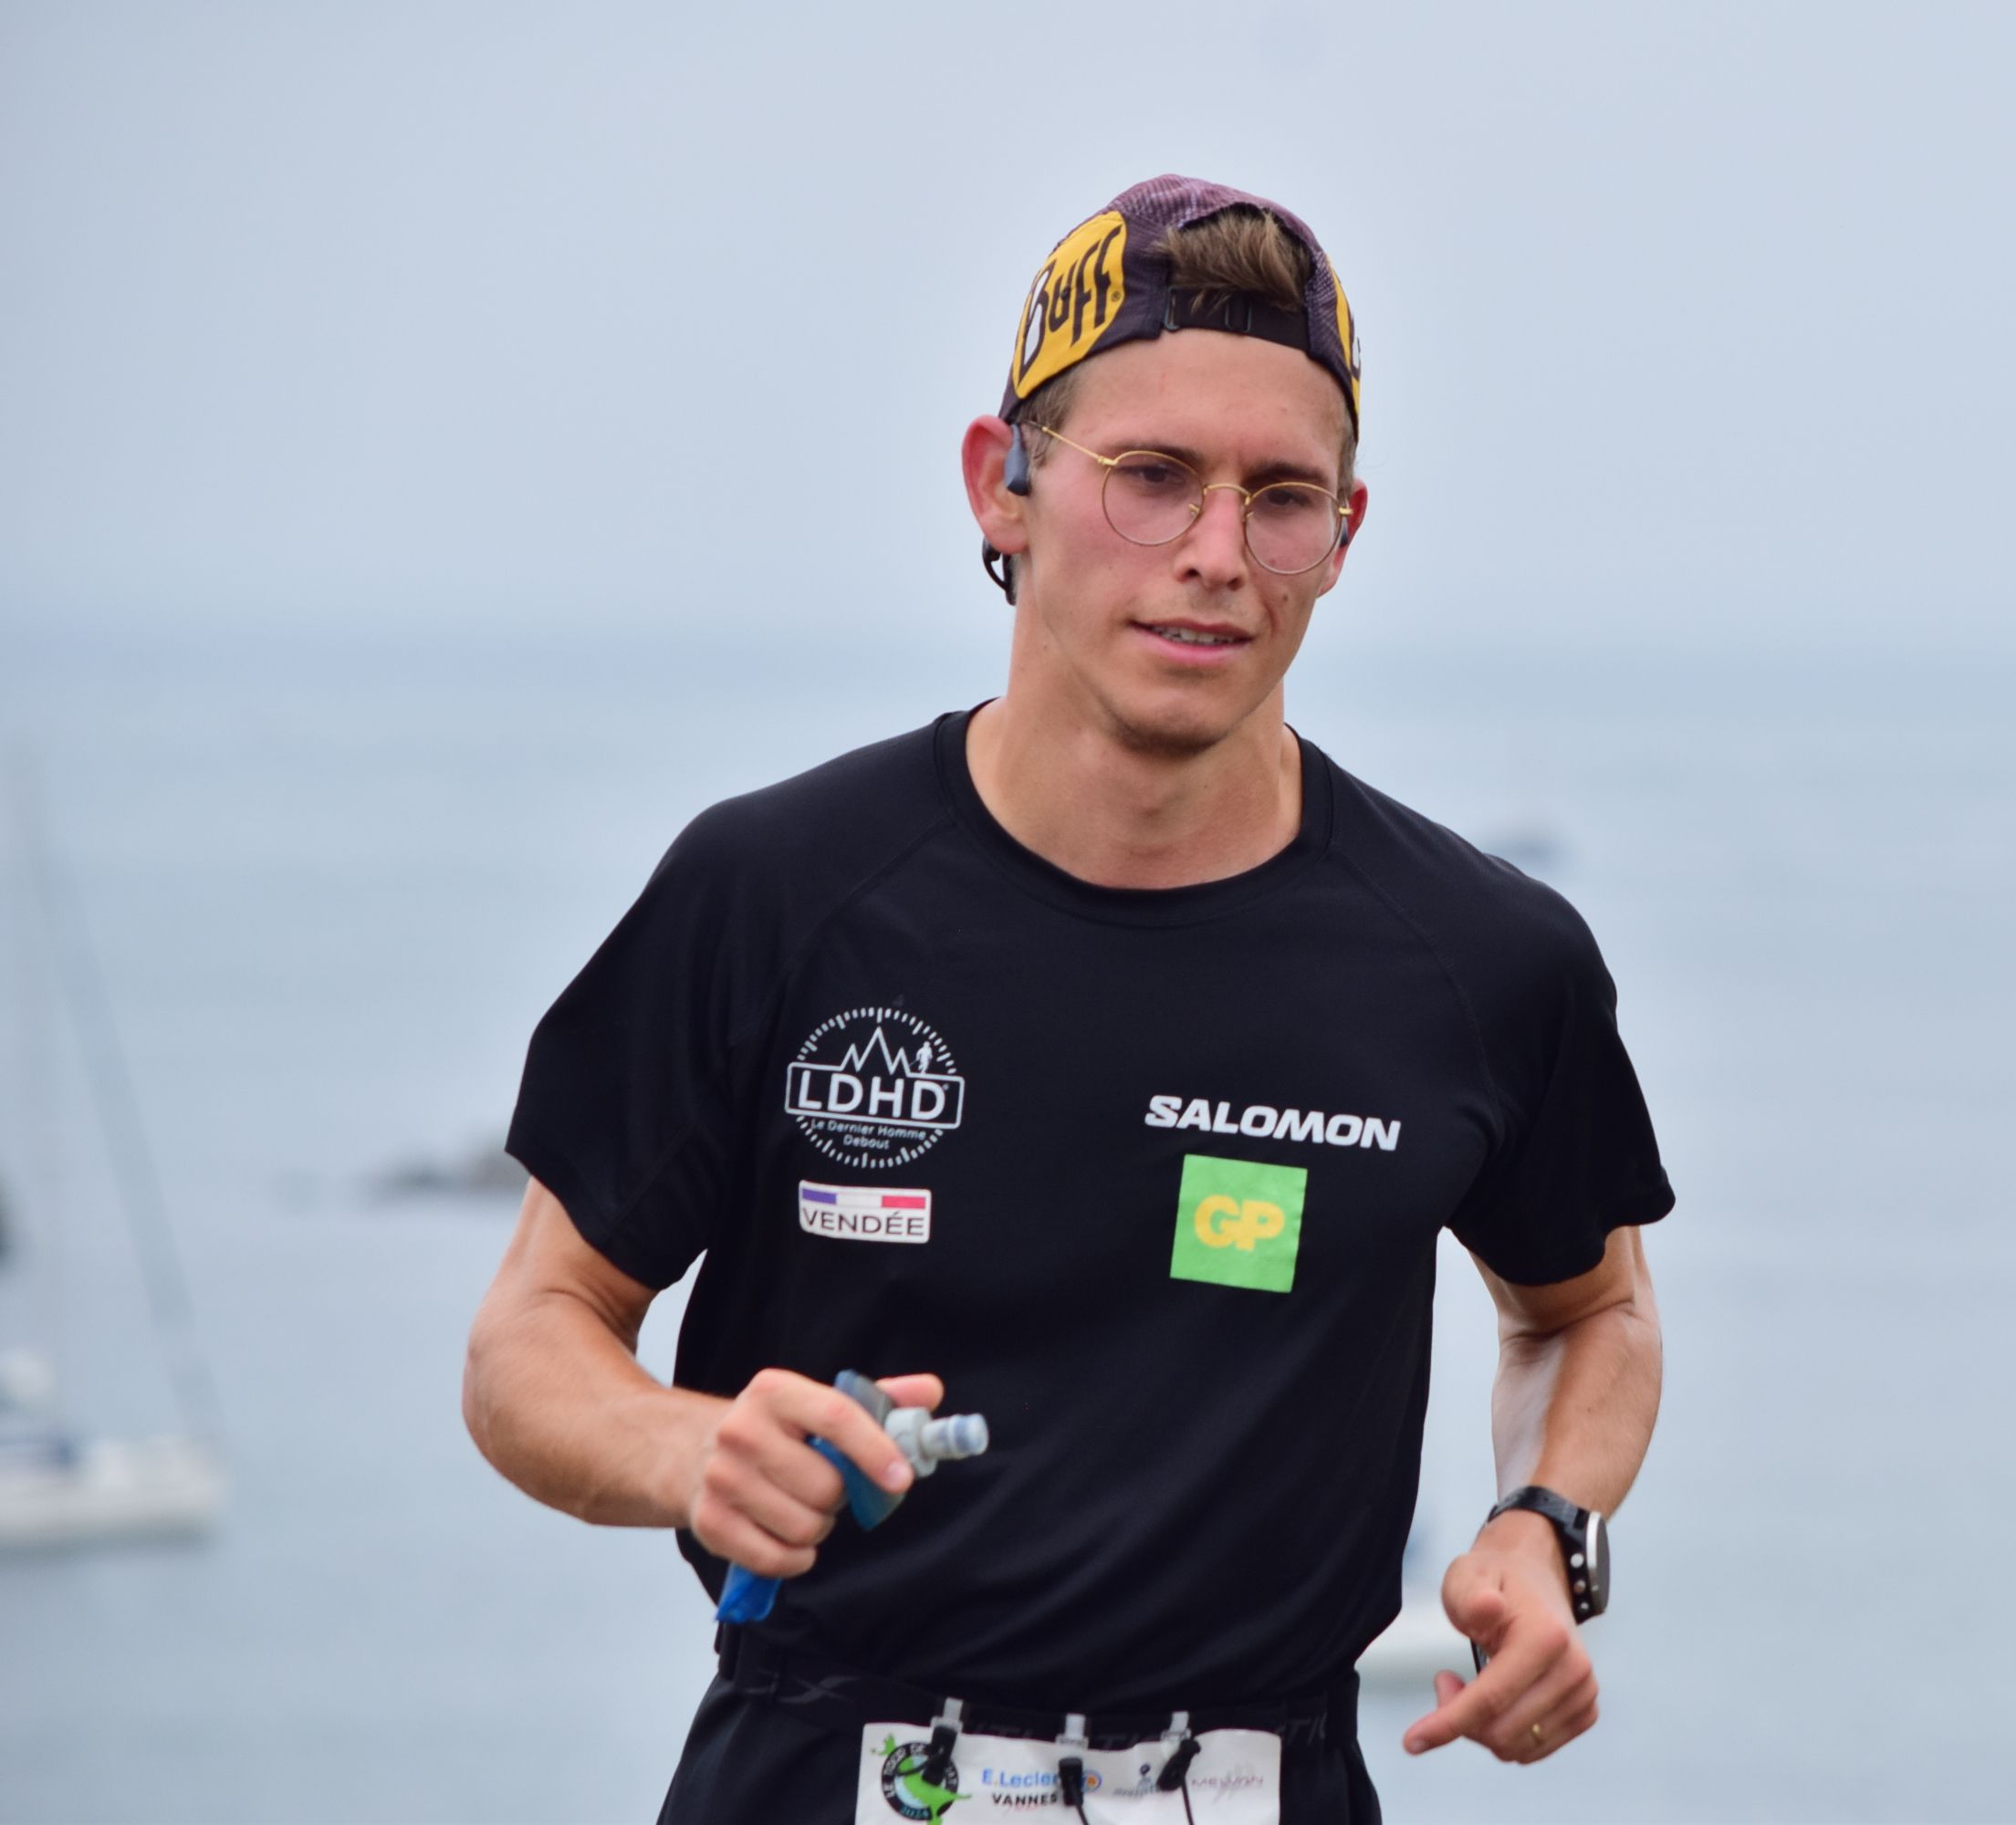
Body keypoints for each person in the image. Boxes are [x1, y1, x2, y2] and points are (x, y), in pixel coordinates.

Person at [463, 174, 1672, 1825]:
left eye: (1281, 498)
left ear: (1344, 535)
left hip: (1265, 1770)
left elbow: (1588, 1310)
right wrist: (689, 1450)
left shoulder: (1480, 957)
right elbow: (531, 1339)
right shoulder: (777, 894)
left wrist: (1545, 1526)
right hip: (830, 1765)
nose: (1216, 557)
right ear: (1003, 486)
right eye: (1151, 479)